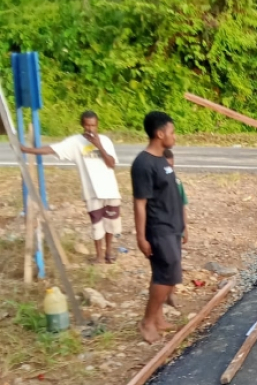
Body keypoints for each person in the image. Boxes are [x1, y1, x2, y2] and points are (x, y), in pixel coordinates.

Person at [21, 111, 121, 264]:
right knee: (96, 224)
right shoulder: (75, 142)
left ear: (97, 124)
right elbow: (52, 149)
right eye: (87, 125)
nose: (90, 129)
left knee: (111, 222)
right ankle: (99, 256)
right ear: (82, 125)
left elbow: (111, 163)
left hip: (110, 189)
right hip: (91, 191)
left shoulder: (105, 141)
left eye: (93, 125)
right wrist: (29, 150)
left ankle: (108, 252)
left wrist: (99, 145)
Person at [131, 111, 186, 343]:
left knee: (165, 275)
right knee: (166, 276)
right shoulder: (143, 164)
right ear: (159, 133)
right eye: (171, 132)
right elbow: (140, 203)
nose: (174, 136)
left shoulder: (163, 159)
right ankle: (147, 321)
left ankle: (159, 318)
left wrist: (182, 226)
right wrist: (141, 237)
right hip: (159, 228)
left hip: (172, 226)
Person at [161, 148, 188, 309]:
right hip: (162, 230)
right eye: (167, 167)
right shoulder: (157, 185)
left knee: (175, 263)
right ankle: (163, 295)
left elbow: (182, 206)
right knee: (165, 263)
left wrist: (185, 229)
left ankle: (170, 294)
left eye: (173, 166)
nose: (170, 170)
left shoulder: (177, 183)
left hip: (176, 229)